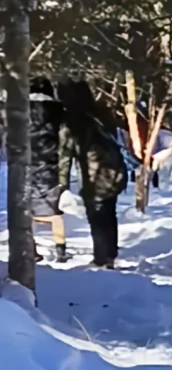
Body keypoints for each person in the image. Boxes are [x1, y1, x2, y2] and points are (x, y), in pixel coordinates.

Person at [56, 80, 129, 268]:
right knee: (109, 213)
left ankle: (102, 258)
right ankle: (110, 254)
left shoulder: (71, 120)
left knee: (97, 218)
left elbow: (65, 154)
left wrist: (62, 183)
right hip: (114, 169)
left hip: (93, 175)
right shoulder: (102, 112)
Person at [29, 78, 67, 263]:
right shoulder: (58, 110)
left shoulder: (19, 109)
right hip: (50, 165)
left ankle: (30, 249)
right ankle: (60, 251)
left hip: (25, 165)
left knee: (26, 211)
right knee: (54, 212)